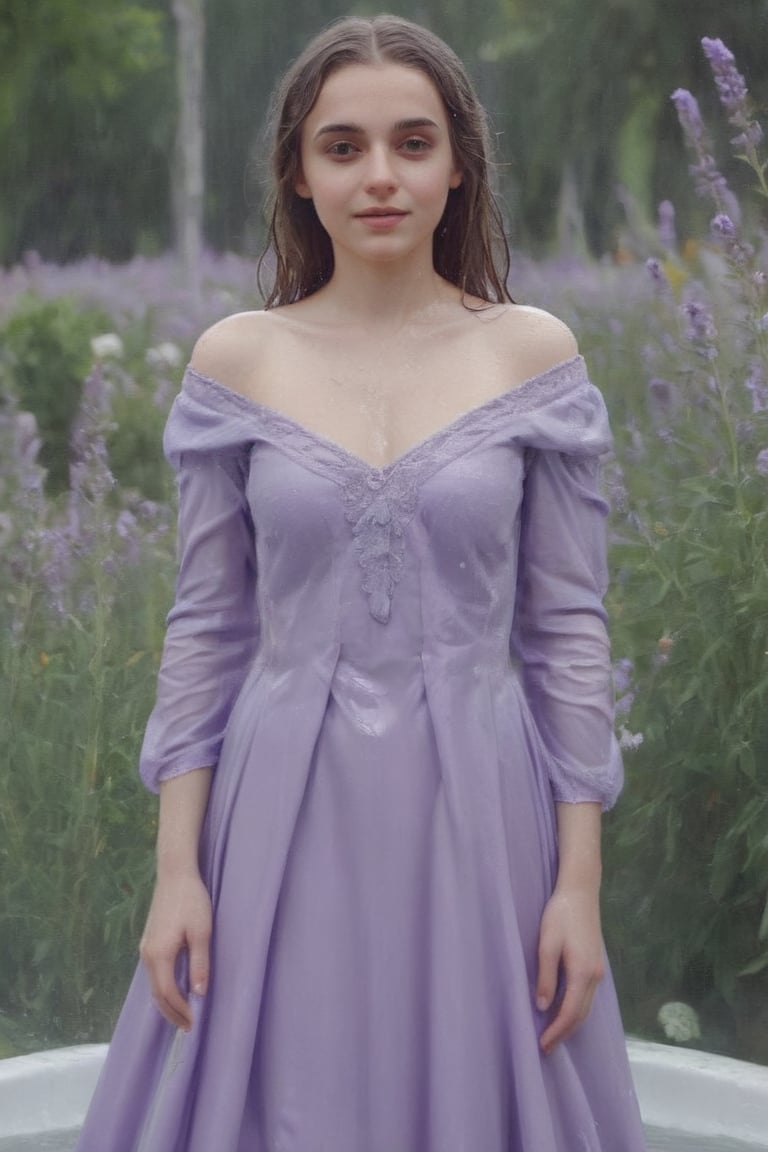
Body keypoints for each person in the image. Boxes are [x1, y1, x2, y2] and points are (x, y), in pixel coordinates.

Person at [77, 13, 648, 1152]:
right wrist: (176, 873)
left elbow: (568, 634)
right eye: (343, 147)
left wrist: (576, 887)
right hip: (276, 815)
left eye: (412, 142)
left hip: (482, 810)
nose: (379, 176)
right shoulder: (236, 360)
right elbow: (206, 632)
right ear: (298, 171)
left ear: (458, 165)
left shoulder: (532, 356)